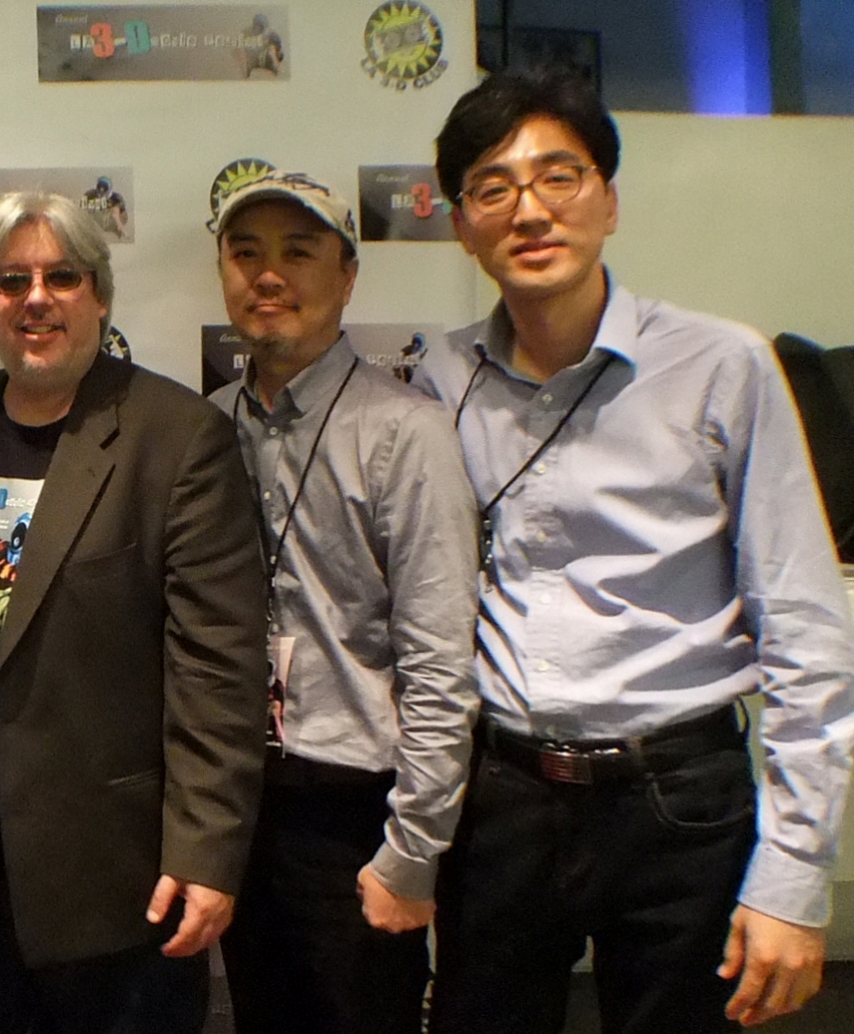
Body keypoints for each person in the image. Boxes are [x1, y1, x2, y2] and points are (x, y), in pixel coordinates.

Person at [417, 69, 854, 1032]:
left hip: (677, 801)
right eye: (493, 188)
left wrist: (794, 878)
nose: (529, 211)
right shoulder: (438, 377)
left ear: (610, 200)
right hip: (501, 797)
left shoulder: (721, 367)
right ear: (462, 225)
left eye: (559, 177)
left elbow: (807, 634)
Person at [0, 191, 268, 1034]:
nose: (37, 298)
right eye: (12, 281)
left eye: (62, 277)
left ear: (100, 296)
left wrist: (207, 853)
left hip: (120, 882)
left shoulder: (175, 437)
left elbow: (219, 667)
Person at [206, 171, 480, 1034]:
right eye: (245, 254)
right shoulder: (207, 427)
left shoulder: (407, 432)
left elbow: (441, 660)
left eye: (299, 252)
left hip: (358, 812)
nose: (268, 275)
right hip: (242, 802)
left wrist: (414, 850)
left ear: (348, 275)